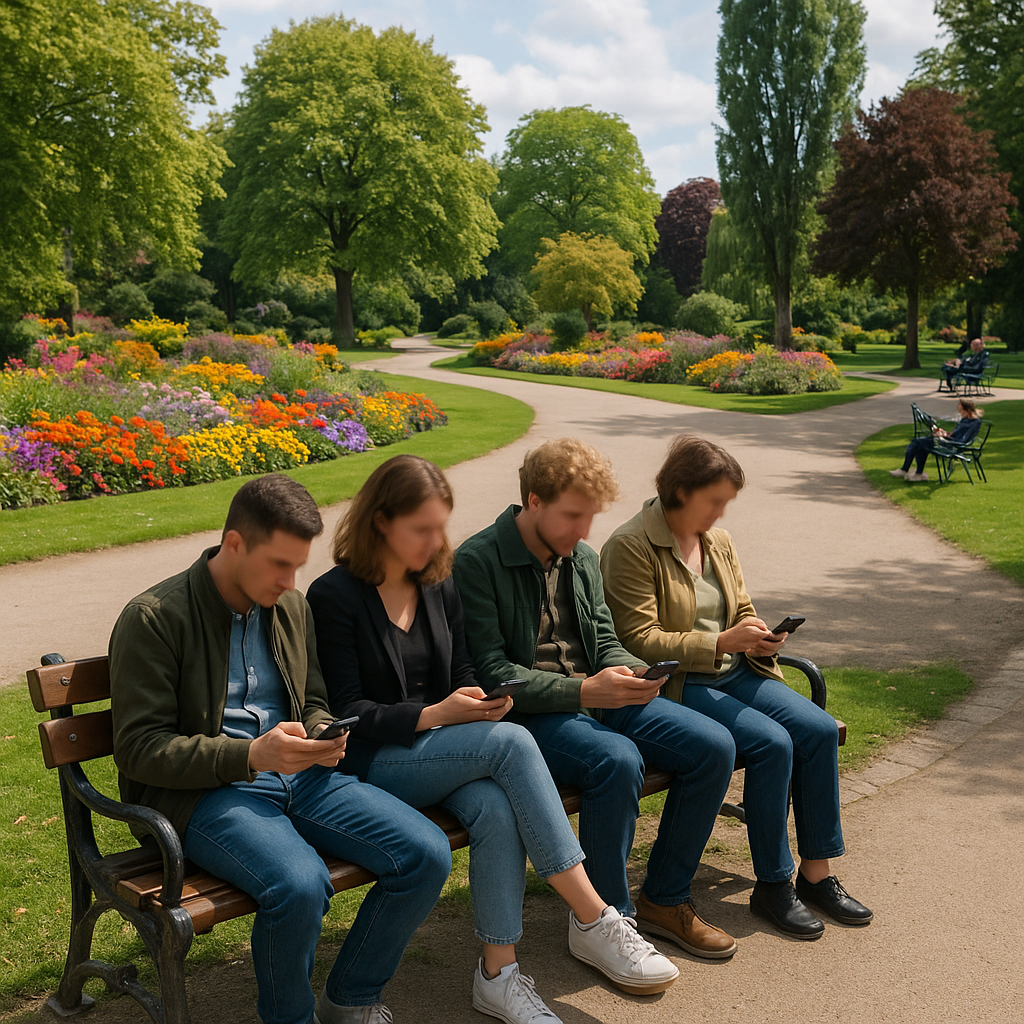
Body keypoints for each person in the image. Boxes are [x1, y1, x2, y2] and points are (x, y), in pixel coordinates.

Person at [307, 455, 679, 1024]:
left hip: (444, 750)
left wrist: (479, 700)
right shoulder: (334, 595)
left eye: (441, 527)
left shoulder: (437, 581)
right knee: (510, 743)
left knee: (497, 805)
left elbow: (461, 671)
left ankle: (498, 976)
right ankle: (593, 914)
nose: (436, 543)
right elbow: (349, 711)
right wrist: (435, 715)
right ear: (381, 521)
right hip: (375, 762)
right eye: (422, 530)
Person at [109, 474, 453, 1024]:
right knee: (298, 884)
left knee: (426, 854)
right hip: (206, 794)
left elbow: (313, 698)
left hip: (303, 776)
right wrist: (248, 756)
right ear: (235, 543)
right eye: (279, 564)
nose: (292, 581)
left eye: (298, 565)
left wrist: (322, 732)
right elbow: (139, 749)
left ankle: (352, 998)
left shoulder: (290, 607)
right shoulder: (156, 617)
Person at [454, 438, 740, 962]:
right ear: (533, 502)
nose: (585, 532)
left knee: (714, 745)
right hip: (531, 715)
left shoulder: (580, 556)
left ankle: (666, 899)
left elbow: (604, 638)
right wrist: (585, 689)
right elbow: (495, 672)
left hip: (598, 695)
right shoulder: (477, 560)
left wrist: (629, 670)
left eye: (590, 517)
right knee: (615, 758)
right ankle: (608, 921)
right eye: (573, 516)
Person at [600, 435, 872, 941]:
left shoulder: (717, 542)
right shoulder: (630, 545)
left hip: (738, 671)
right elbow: (637, 640)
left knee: (814, 730)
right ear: (681, 490)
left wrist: (760, 637)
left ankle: (817, 875)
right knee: (771, 744)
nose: (722, 513)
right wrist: (721, 640)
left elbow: (741, 607)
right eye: (715, 501)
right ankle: (773, 884)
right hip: (679, 684)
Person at [891, 398, 983, 482]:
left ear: (967, 410)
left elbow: (961, 441)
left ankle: (907, 470)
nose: (961, 414)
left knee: (918, 442)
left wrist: (943, 438)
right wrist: (944, 433)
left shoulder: (974, 423)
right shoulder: (965, 420)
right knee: (919, 443)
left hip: (952, 446)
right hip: (948, 442)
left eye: (961, 411)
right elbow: (955, 435)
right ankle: (917, 473)